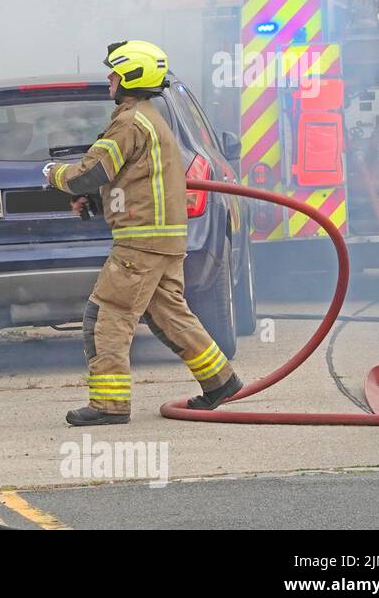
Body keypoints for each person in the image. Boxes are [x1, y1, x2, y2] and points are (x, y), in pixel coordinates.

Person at [44, 40, 243, 425]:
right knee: (168, 314)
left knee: (106, 315)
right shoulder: (149, 118)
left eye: (114, 73)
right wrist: (98, 203)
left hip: (141, 242)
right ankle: (220, 380)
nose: (109, 79)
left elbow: (93, 170)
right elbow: (136, 178)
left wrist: (54, 175)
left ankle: (109, 404)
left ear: (130, 78)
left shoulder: (130, 120)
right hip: (163, 238)